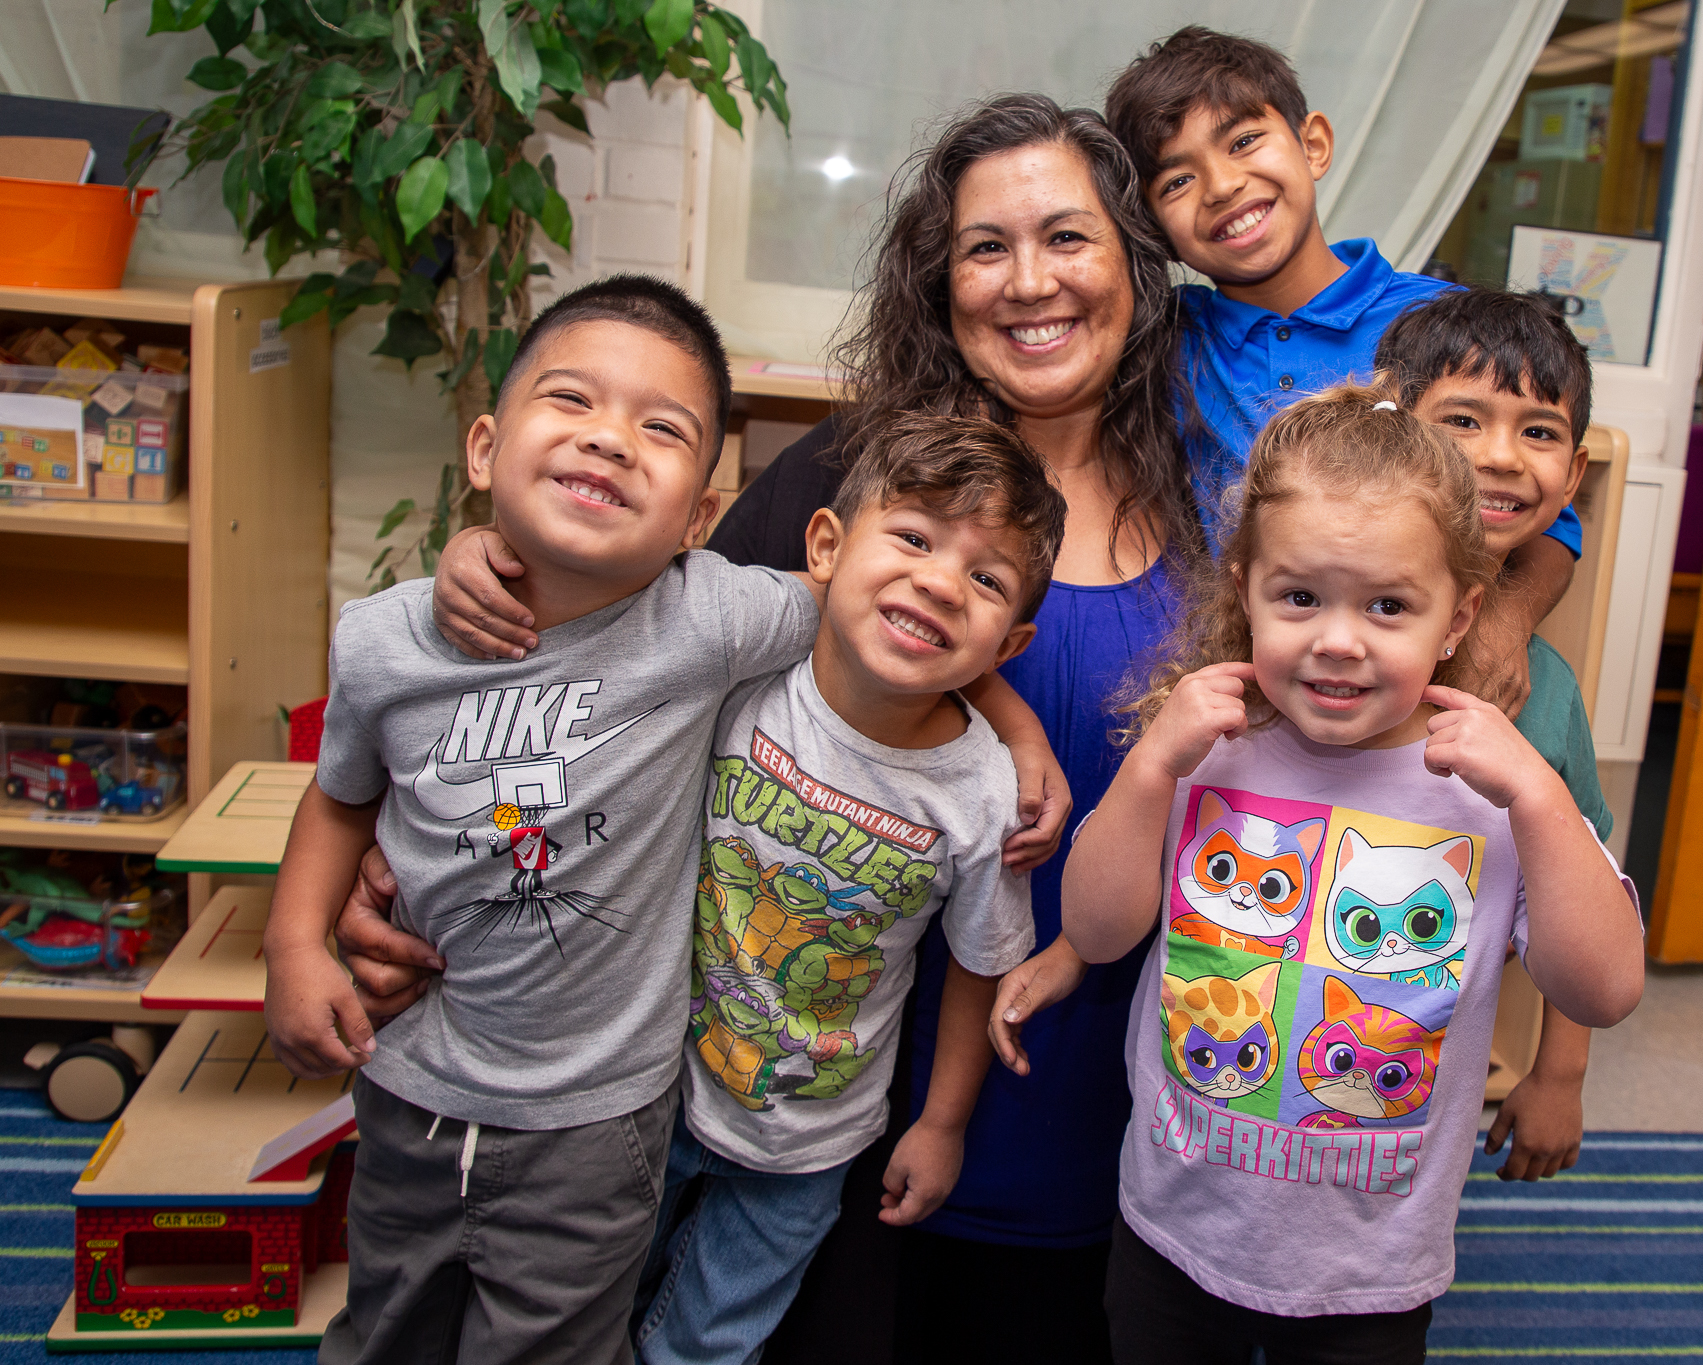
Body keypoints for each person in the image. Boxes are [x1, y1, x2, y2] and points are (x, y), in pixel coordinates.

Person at [350, 95, 1200, 1365]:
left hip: (1090, 1079)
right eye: (983, 247)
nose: (1030, 282)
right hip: (769, 1098)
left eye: (1068, 237)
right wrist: (489, 557)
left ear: (1134, 258)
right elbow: (612, 621)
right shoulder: (836, 478)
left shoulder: (1212, 481)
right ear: (938, 277)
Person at [1022, 381, 1643, 1364]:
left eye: (1388, 605)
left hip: (1370, 1275)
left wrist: (1537, 799)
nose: (1337, 640)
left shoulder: (1492, 786)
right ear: (1244, 588)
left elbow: (1602, 988)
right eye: (1299, 597)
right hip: (1172, 1239)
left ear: (1457, 615)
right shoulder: (1198, 747)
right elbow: (1095, 934)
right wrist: (1148, 768)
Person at [263, 276, 823, 1364]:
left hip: (597, 1117)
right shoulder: (383, 639)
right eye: (571, 402)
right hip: (410, 1073)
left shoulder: (709, 615)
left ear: (699, 518)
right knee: (386, 1327)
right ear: (484, 449)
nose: (610, 440)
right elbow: (340, 794)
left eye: (661, 429)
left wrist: (1007, 722)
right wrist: (291, 943)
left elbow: (882, 613)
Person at [636, 414, 1061, 1364]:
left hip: (810, 1140)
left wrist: (942, 1123)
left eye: (986, 577)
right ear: (825, 545)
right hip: (650, 1087)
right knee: (586, 1299)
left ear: (1012, 639)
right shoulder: (745, 673)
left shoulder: (987, 790)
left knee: (709, 1342)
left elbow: (979, 966)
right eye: (913, 536)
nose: (941, 580)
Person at [1104, 26, 1580, 718]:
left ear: (1314, 145)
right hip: (1265, 694)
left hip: (1424, 687)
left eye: (1243, 142)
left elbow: (1550, 514)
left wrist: (1507, 620)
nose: (1222, 184)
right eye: (1176, 179)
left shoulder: (1442, 323)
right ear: (1151, 223)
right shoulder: (1166, 340)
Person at [1375, 286, 1617, 1183]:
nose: (1501, 457)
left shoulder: (1541, 691)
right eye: (1463, 420)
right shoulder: (1308, 642)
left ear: (1576, 469)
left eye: (1540, 432)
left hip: (1416, 1098)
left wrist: (1561, 1072)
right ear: (1392, 426)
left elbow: (1586, 885)